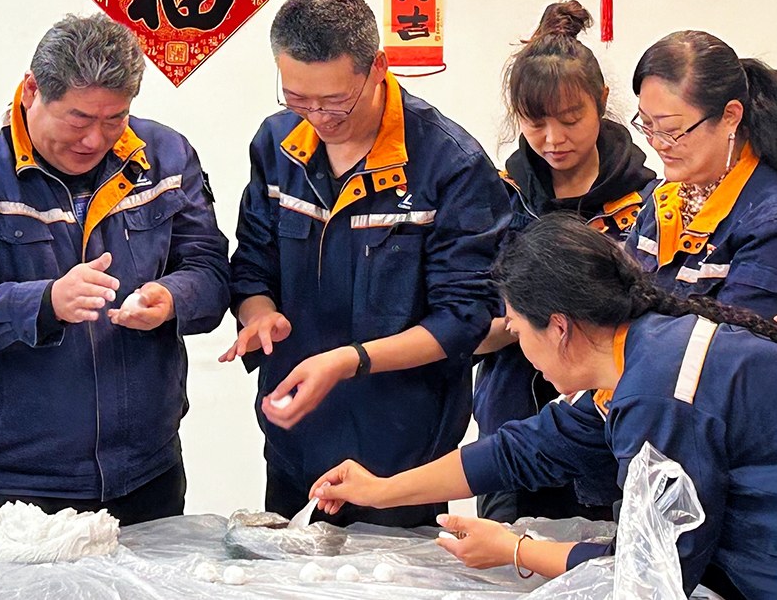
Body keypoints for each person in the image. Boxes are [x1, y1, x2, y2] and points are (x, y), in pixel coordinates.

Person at [311, 214, 776, 600]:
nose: (519, 346)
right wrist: (380, 490)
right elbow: (526, 448)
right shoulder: (637, 351)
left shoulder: (657, 394)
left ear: (558, 327)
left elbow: (654, 571)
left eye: (516, 331)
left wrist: (517, 550)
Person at [0, 13, 230, 526]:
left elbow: (211, 271)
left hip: (148, 473)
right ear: (32, 89)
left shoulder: (164, 157)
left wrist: (170, 299)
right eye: (78, 119)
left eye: (114, 119)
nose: (94, 140)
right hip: (13, 488)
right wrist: (44, 302)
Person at [223, 0, 509, 527]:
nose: (317, 117)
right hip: (295, 436)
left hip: (401, 454)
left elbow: (462, 319)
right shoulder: (277, 143)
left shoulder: (449, 164)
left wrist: (346, 361)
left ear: (377, 68)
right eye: (296, 99)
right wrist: (258, 314)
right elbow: (252, 264)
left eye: (334, 101)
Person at [474, 1, 654, 523]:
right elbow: (470, 325)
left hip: (612, 421)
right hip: (513, 412)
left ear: (600, 102)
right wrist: (530, 322)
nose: (554, 140)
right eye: (535, 123)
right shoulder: (497, 198)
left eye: (572, 120)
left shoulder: (647, 201)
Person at [626, 30, 777, 318]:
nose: (657, 143)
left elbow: (726, 346)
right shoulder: (662, 199)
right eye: (646, 124)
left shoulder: (766, 221)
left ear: (730, 116)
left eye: (671, 131)